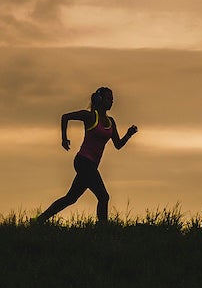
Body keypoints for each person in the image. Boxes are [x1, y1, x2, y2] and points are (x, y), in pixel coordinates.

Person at [36, 86, 137, 223]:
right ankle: (103, 230)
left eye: (112, 99)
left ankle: (39, 220)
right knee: (103, 196)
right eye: (109, 99)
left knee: (70, 198)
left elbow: (118, 145)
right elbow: (65, 117)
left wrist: (129, 134)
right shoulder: (89, 116)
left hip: (91, 165)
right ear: (99, 100)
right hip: (83, 161)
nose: (112, 102)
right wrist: (64, 139)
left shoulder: (111, 122)